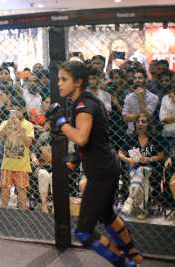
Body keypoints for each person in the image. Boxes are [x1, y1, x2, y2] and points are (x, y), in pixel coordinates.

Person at [46, 61, 142, 267]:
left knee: (84, 232)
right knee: (107, 216)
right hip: (104, 167)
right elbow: (92, 139)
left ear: (78, 81)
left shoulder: (83, 105)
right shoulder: (86, 101)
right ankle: (133, 254)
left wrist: (61, 123)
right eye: (59, 79)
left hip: (101, 173)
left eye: (64, 80)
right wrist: (77, 157)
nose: (59, 84)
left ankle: (126, 264)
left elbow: (81, 137)